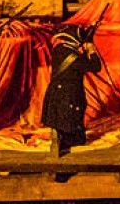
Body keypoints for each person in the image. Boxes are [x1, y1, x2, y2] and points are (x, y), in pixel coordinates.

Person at [41, 23, 104, 157]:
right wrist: (91, 49)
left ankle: (61, 141)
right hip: (70, 96)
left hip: (56, 94)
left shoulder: (59, 49)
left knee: (61, 123)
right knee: (71, 128)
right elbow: (96, 66)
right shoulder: (75, 58)